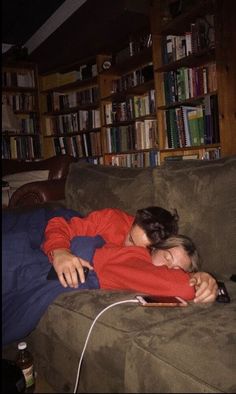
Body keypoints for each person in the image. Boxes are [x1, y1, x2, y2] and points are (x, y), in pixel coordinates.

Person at [41, 207, 218, 303]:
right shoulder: (112, 219)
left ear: (154, 248)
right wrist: (60, 251)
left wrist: (200, 277)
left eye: (174, 269)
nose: (129, 246)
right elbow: (61, 225)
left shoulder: (147, 259)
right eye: (131, 239)